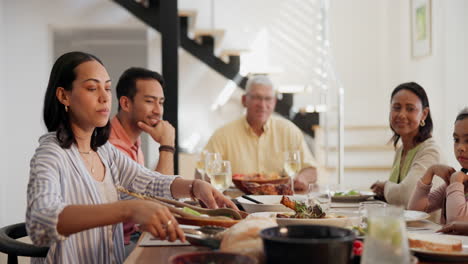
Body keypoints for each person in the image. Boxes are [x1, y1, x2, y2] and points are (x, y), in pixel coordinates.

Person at [26, 51, 236, 263]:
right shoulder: (51, 154)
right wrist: (127, 210)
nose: (104, 96)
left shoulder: (104, 151)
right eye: (92, 88)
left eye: (107, 88)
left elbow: (150, 182)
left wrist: (194, 186)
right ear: (64, 96)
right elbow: (40, 222)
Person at [203, 75, 318, 191]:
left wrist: (302, 178)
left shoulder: (290, 131)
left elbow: (311, 169)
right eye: (256, 98)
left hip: (279, 201)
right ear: (244, 100)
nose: (262, 105)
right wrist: (211, 181)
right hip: (236, 203)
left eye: (268, 99)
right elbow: (203, 171)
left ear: (274, 102)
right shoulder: (222, 135)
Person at [109, 67, 175, 250]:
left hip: (134, 235)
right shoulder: (113, 147)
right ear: (126, 103)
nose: (158, 110)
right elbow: (158, 203)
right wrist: (167, 145)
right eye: (149, 101)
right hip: (117, 246)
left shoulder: (133, 139)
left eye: (161, 102)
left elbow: (151, 192)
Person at [370, 82, 442, 208]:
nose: (401, 115)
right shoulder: (401, 150)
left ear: (424, 114)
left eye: (410, 109)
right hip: (403, 226)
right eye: (396, 107)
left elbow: (407, 196)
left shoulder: (430, 151)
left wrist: (385, 186)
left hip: (428, 228)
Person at [408, 108, 468, 224]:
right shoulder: (459, 182)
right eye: (456, 139)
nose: (460, 147)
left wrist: (456, 182)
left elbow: (458, 221)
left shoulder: (457, 182)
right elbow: (414, 212)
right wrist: (430, 171)